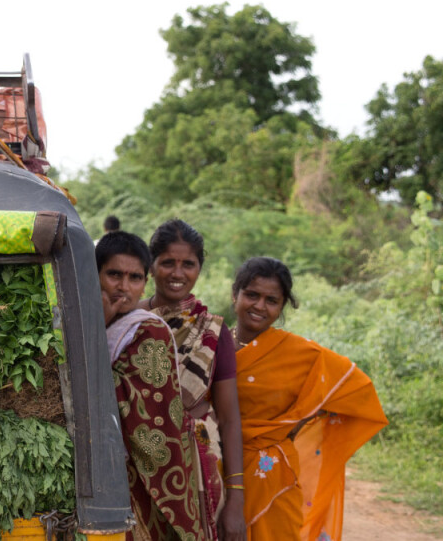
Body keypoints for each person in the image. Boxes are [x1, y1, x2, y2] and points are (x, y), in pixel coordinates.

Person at [230, 257, 387, 540]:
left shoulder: (299, 353)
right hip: (218, 472)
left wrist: (296, 423)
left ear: (282, 306)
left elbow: (357, 387)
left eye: (271, 300)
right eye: (252, 295)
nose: (260, 306)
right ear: (235, 294)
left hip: (272, 474)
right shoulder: (209, 343)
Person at [138, 219, 246, 541]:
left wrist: (236, 499)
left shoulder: (211, 331)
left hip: (196, 467)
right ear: (151, 265)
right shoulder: (129, 320)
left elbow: (229, 418)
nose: (178, 273)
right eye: (167, 262)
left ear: (199, 268)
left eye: (188, 264)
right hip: (135, 463)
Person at [97, 231, 205, 540]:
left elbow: (145, 415)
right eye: (114, 275)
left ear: (145, 282)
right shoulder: (85, 321)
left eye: (134, 278)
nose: (123, 286)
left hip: (135, 477)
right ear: (96, 275)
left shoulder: (147, 330)